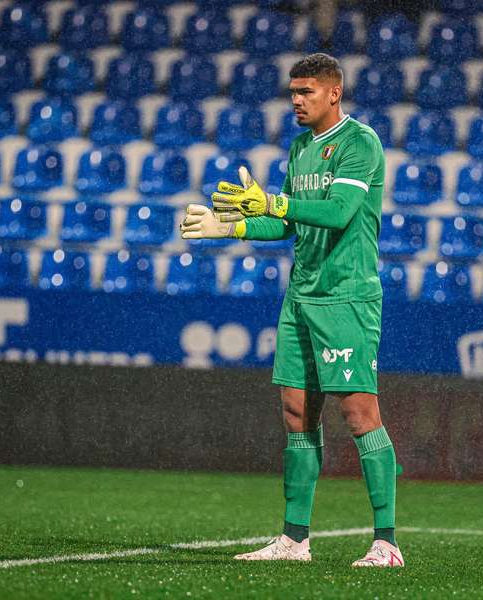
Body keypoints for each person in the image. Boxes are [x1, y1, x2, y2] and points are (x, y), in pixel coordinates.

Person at [180, 53, 402, 568]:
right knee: (297, 412)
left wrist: (275, 204)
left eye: (306, 92)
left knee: (358, 412)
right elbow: (289, 225)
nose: (296, 101)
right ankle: (294, 540)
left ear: (333, 94)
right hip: (300, 297)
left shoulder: (359, 143)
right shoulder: (301, 149)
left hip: (347, 297)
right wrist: (231, 227)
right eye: (293, 92)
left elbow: (339, 213)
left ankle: (386, 542)